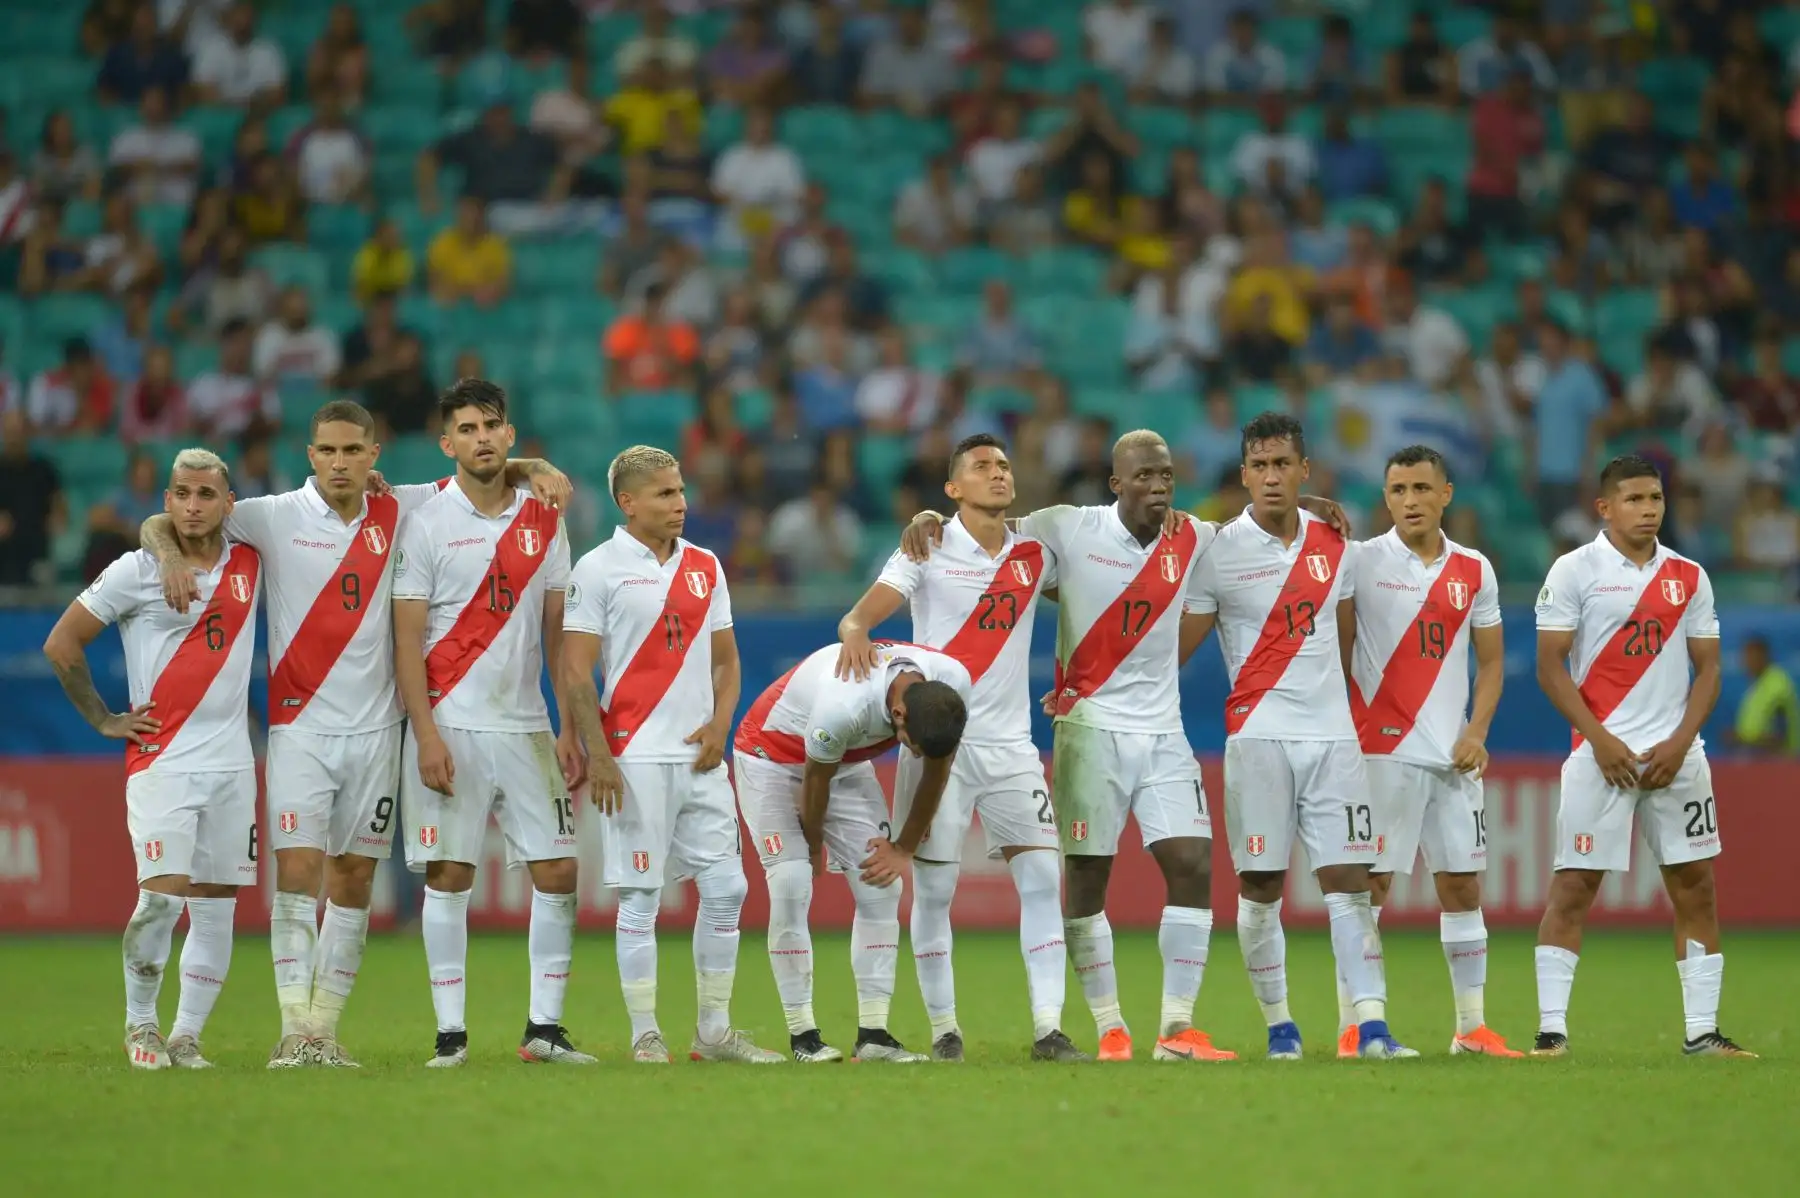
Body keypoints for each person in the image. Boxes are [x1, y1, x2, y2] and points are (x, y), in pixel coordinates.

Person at [141, 399, 571, 1067]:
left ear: (374, 456)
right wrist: (167, 553)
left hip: (378, 731)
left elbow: (480, 467)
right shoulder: (273, 516)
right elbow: (170, 515)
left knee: (353, 880)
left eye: (352, 450)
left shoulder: (406, 508)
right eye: (327, 451)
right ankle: (292, 1029)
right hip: (299, 729)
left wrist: (535, 465)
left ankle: (324, 1031)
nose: (340, 462)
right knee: (299, 871)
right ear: (310, 455)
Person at [835, 434, 1082, 1062]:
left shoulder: (1035, 554)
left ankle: (1049, 1028)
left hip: (1011, 747)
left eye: (1003, 464)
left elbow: (1104, 572)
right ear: (952, 490)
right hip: (938, 746)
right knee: (937, 893)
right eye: (981, 467)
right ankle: (945, 1030)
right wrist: (858, 633)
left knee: (1041, 879)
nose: (997, 473)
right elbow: (859, 618)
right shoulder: (927, 546)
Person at [1186, 411, 1415, 1060]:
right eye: (1259, 465)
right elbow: (1175, 647)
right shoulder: (1217, 552)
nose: (1271, 476)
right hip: (1257, 740)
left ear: (1304, 470)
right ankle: (1280, 1026)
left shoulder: (1335, 544)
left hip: (1334, 742)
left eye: (1282, 464)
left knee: (1351, 881)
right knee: (1261, 888)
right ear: (1243, 475)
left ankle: (1371, 1026)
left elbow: (1346, 646)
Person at [560, 446, 782, 1065]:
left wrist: (720, 724)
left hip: (701, 759)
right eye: (663, 493)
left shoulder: (706, 567)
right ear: (627, 503)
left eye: (681, 491)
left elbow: (727, 661)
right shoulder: (598, 568)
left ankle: (713, 1032)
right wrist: (598, 754)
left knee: (729, 888)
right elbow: (577, 672)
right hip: (632, 759)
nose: (680, 503)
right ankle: (644, 1033)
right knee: (640, 896)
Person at [392, 379, 591, 1068]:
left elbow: (559, 632)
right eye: (467, 428)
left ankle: (545, 1029)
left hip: (528, 724)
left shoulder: (545, 518)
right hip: (453, 721)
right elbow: (407, 638)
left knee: (560, 872)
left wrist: (569, 727)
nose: (480, 437)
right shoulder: (424, 523)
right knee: (449, 873)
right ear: (447, 444)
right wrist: (424, 735)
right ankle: (450, 1035)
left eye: (491, 426)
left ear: (510, 436)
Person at [42, 449, 262, 1070]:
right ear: (166, 502)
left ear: (228, 504)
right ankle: (141, 1026)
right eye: (182, 494)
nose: (193, 505)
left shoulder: (251, 559)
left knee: (217, 907)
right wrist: (104, 718)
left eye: (206, 494)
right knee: (162, 899)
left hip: (233, 766)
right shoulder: (135, 570)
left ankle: (187, 1035)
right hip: (161, 762)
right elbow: (62, 644)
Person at [1531, 455, 1751, 1058]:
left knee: (1697, 890)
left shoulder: (1689, 575)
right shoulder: (1574, 571)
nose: (1649, 509)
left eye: (1655, 498)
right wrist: (1598, 740)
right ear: (1604, 508)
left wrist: (1680, 743)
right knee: (1572, 889)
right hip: (1600, 756)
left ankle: (1703, 1034)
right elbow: (1550, 664)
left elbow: (1708, 670)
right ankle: (1552, 1033)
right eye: (1634, 499)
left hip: (1676, 759)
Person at [1342, 445, 1519, 1059]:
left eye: (1422, 488)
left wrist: (1477, 731)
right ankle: (1355, 1026)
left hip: (1452, 756)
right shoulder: (1360, 562)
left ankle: (1471, 1029)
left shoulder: (1475, 569)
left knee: (1464, 889)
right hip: (1380, 754)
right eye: (1398, 490)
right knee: (1370, 888)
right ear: (1385, 498)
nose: (1410, 501)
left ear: (1446, 494)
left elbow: (1492, 662)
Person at [731, 642, 971, 1063]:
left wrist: (904, 847)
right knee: (791, 881)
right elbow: (815, 779)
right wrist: (813, 843)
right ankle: (803, 1035)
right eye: (909, 745)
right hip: (770, 755)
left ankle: (874, 1036)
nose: (912, 753)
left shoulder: (950, 686)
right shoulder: (845, 704)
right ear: (898, 715)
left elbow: (938, 766)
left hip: (839, 761)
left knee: (882, 885)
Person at [1731, 635, 1797, 755]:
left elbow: (1779, 738)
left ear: (1762, 656)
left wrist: (1743, 741)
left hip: (1778, 766)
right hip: (1758, 763)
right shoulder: (1758, 685)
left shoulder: (1777, 686)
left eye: (1750, 656)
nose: (1746, 661)